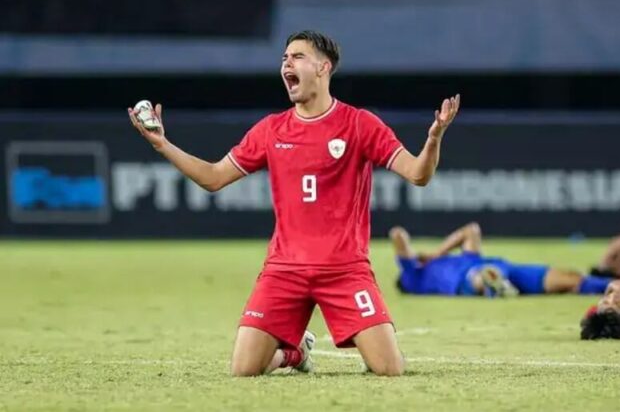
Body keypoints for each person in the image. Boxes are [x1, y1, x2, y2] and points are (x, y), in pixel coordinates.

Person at [127, 30, 462, 376]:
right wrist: (162, 145)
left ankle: (329, 343)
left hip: (344, 269)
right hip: (284, 270)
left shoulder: (360, 124)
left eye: (297, 57)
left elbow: (418, 174)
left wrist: (433, 138)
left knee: (389, 369)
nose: (287, 63)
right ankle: (295, 354)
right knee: (243, 369)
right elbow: (213, 177)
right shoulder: (271, 130)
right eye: (284, 58)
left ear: (323, 67)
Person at [390, 223, 612, 297]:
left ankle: (617, 287)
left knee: (571, 279)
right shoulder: (413, 278)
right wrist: (417, 258)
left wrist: (437, 253)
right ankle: (494, 284)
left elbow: (471, 230)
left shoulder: (460, 258)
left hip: (508, 270)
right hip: (466, 281)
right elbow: (398, 234)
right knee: (481, 275)